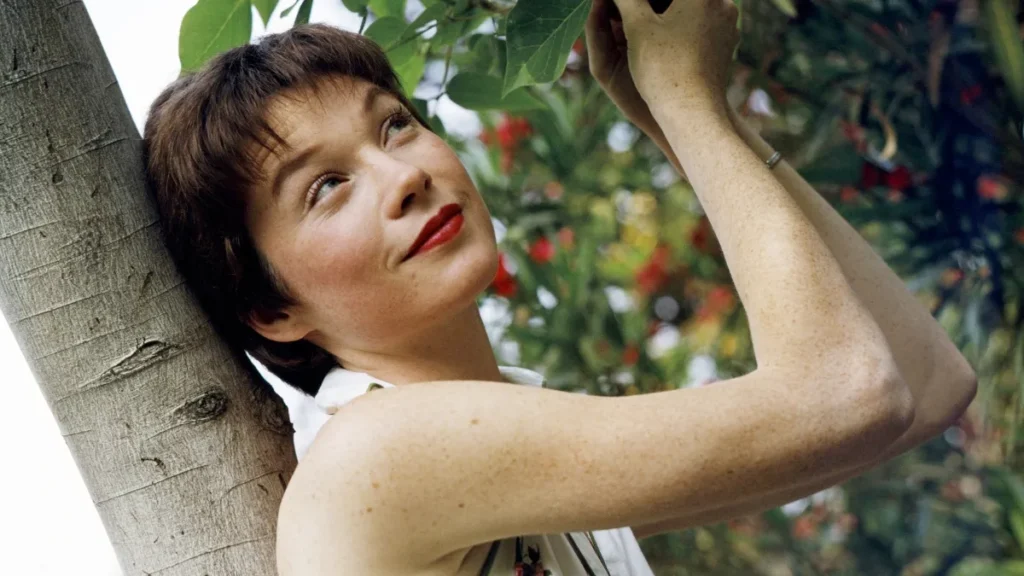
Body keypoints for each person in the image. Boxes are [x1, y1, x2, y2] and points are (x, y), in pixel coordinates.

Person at [141, 0, 977, 573]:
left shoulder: (513, 480)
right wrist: (687, 97)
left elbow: (925, 383)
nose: (401, 175)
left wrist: (672, 111)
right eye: (324, 187)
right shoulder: (376, 455)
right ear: (271, 309)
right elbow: (851, 395)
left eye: (394, 124)